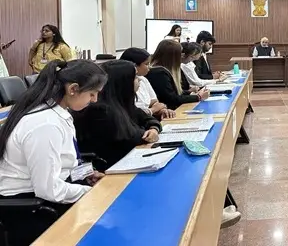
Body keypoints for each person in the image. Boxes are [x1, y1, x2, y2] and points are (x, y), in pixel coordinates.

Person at [0, 60, 107, 245]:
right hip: (31, 207)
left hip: (44, 193)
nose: (94, 100)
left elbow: (62, 161)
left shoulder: (55, 112)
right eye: (92, 93)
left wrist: (84, 174)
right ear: (73, 89)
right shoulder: (45, 124)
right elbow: (48, 189)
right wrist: (89, 191)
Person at [74, 60, 162, 168]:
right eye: (135, 77)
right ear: (123, 82)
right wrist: (148, 133)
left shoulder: (122, 103)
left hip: (123, 162)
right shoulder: (100, 111)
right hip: (109, 168)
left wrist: (154, 128)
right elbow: (132, 138)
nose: (139, 80)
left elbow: (148, 119)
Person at [148, 40, 209, 110]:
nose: (182, 56)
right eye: (180, 54)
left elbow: (174, 92)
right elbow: (172, 99)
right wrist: (198, 97)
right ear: (172, 56)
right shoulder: (159, 73)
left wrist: (189, 92)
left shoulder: (165, 70)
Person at [120, 48, 175, 119]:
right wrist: (153, 110)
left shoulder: (143, 79)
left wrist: (162, 111)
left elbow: (154, 103)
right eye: (146, 64)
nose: (150, 67)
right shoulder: (123, 84)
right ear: (134, 66)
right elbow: (132, 114)